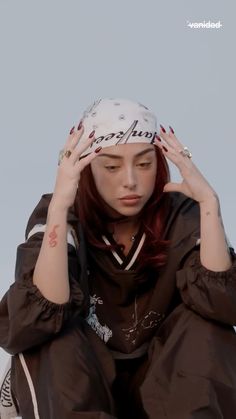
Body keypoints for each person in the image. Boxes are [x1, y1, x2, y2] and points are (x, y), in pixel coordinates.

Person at [0, 98, 236, 419]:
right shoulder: (59, 213)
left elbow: (224, 303)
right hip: (83, 381)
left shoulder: (182, 211)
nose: (130, 180)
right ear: (86, 166)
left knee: (208, 319)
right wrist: (60, 205)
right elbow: (33, 317)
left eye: (143, 164)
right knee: (49, 332)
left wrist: (210, 203)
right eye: (111, 166)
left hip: (166, 383)